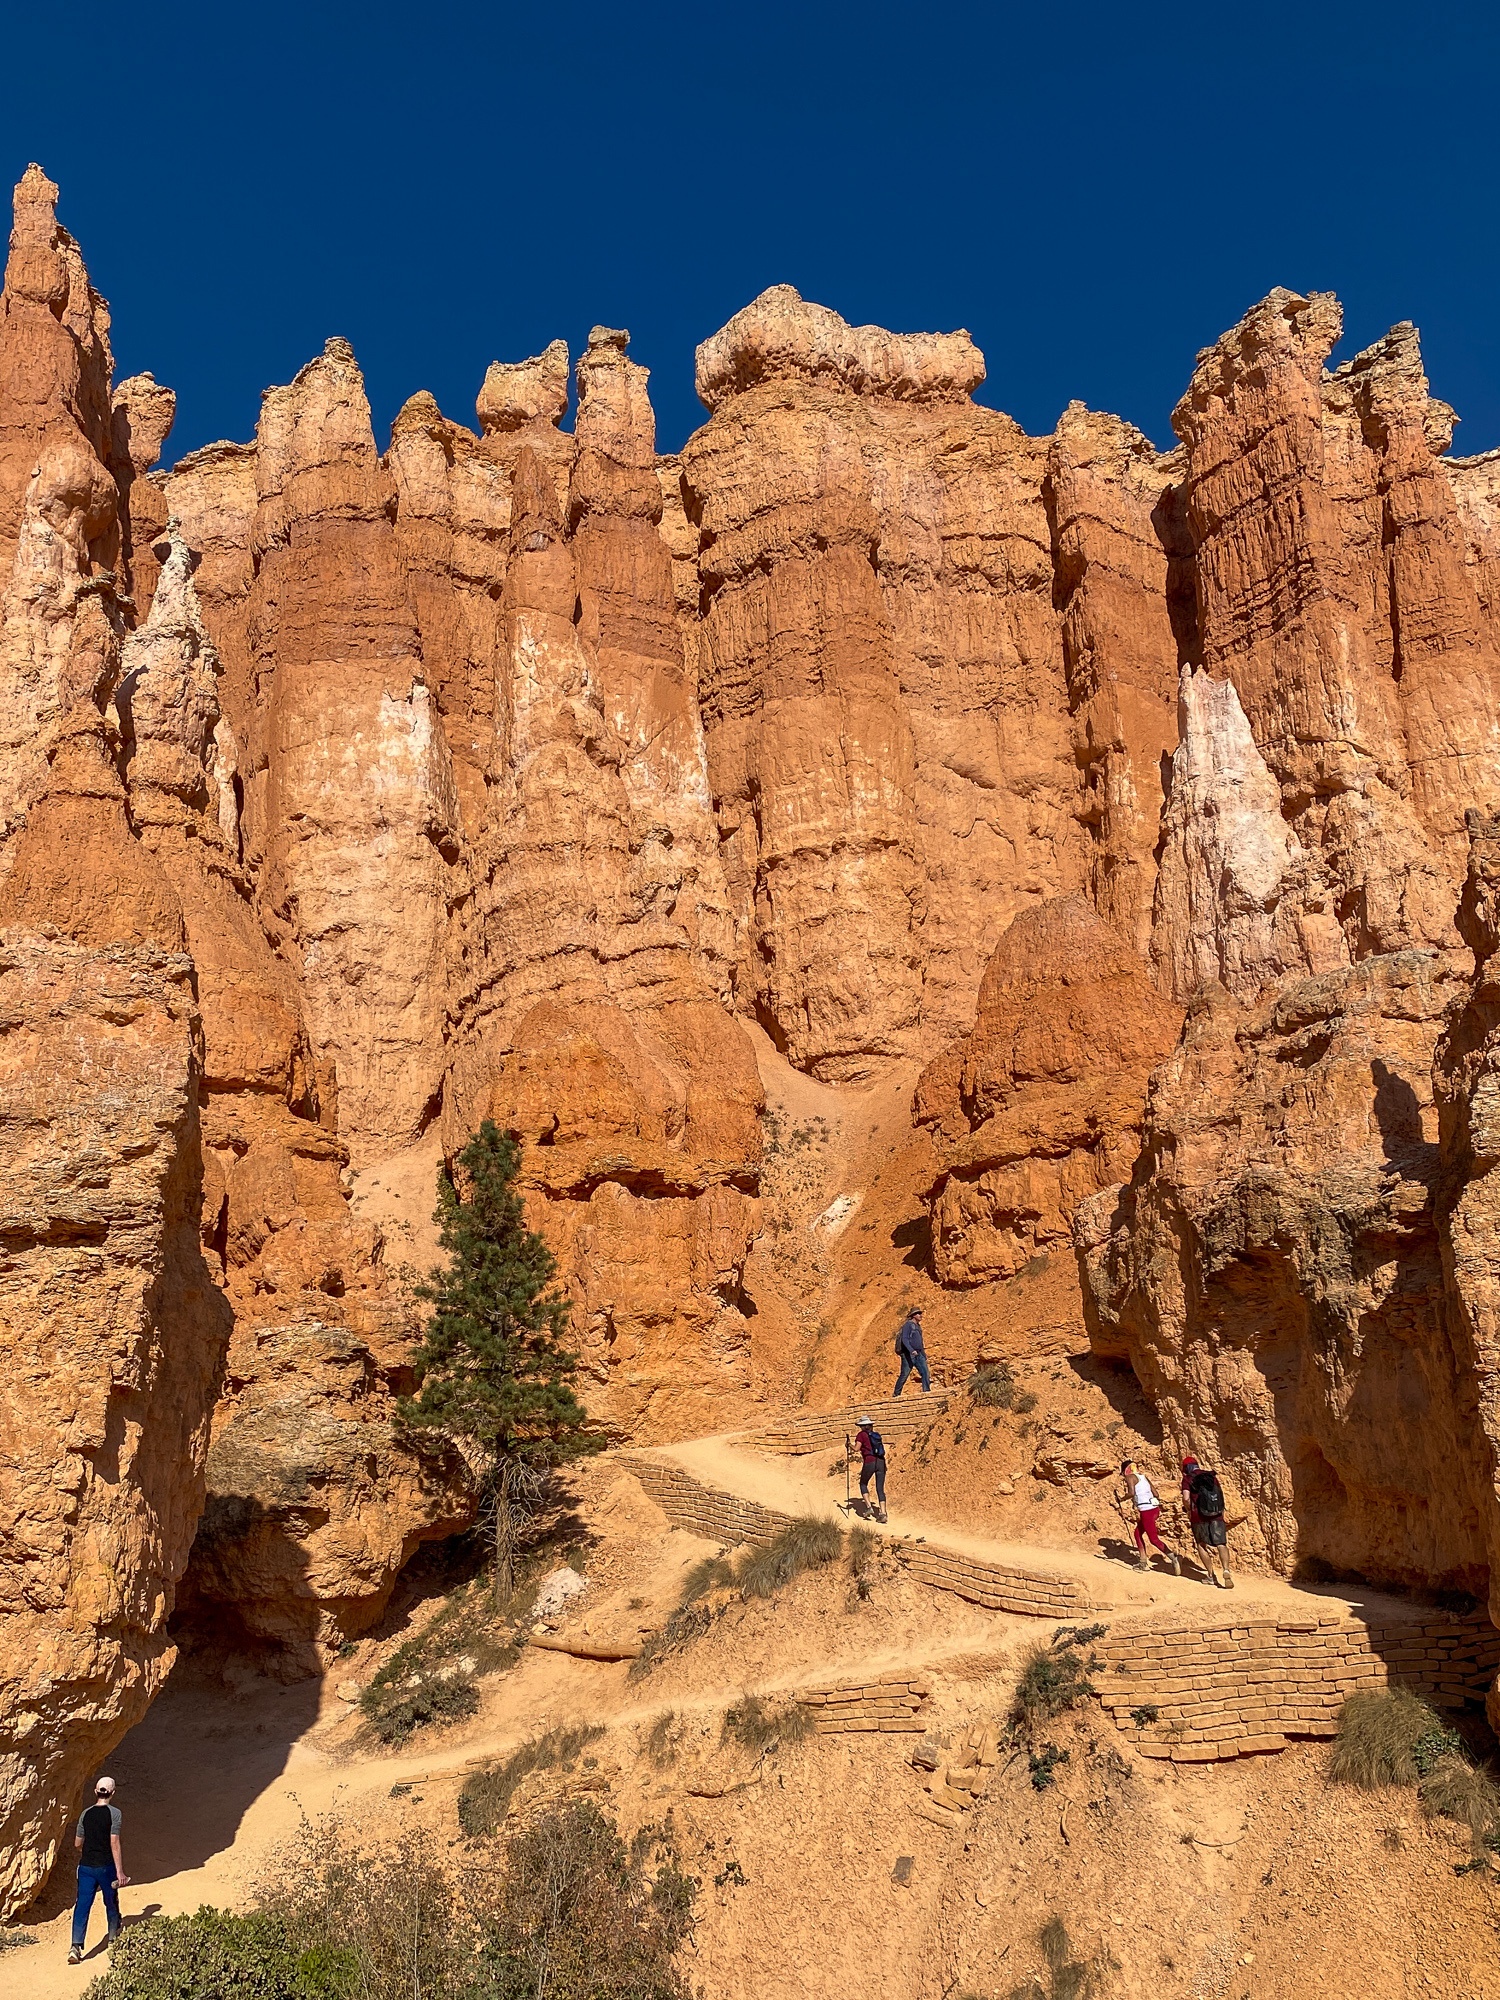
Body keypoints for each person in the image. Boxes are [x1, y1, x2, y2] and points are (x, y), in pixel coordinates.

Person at [68, 1775, 128, 1964]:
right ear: (113, 1793)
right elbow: (114, 1842)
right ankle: (113, 1939)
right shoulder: (115, 1814)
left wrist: (87, 1850)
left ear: (96, 1792)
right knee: (110, 1901)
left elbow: (77, 1843)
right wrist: (120, 1872)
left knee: (82, 1905)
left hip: (86, 1867)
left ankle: (75, 1947)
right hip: (106, 1867)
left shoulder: (85, 1814)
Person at [1118, 1459, 1180, 1575]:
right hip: (1154, 1509)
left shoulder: (1130, 1477)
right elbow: (1156, 1494)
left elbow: (1131, 1492)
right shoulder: (1143, 1477)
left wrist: (1122, 1499)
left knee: (1154, 1539)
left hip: (1146, 1511)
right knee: (1137, 1533)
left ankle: (1172, 1557)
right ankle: (1143, 1562)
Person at [1181, 1453, 1234, 1589]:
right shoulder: (1210, 1475)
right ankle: (1226, 1570)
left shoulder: (1188, 1479)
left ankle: (1210, 1576)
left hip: (1198, 1517)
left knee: (1201, 1544)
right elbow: (1219, 1493)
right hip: (1216, 1514)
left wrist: (1188, 1510)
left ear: (1186, 1468)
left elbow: (1186, 1498)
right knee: (1221, 1543)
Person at [852, 1417, 888, 1522]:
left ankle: (869, 1508)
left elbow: (856, 1448)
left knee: (863, 1484)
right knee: (880, 1489)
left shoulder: (861, 1435)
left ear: (862, 1426)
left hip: (870, 1461)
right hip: (881, 1461)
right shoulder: (876, 1435)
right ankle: (883, 1513)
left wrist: (849, 1445)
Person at [893, 1306, 931, 1395]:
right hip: (908, 1354)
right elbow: (904, 1339)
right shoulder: (908, 1325)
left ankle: (926, 1391)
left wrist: (923, 1354)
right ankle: (896, 1393)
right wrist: (911, 1350)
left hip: (919, 1354)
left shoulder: (918, 1326)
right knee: (904, 1374)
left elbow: (920, 1342)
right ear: (914, 1315)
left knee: (925, 1372)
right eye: (919, 1313)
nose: (921, 1315)